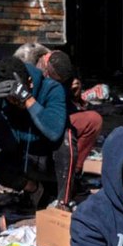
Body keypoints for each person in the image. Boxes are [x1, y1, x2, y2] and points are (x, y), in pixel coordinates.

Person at [0, 54, 76, 210]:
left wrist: (28, 99)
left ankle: (64, 200)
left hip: (53, 163)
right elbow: (8, 146)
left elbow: (54, 131)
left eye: (17, 98)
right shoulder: (5, 99)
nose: (16, 103)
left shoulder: (52, 89)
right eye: (12, 99)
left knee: (66, 137)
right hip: (28, 162)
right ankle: (35, 190)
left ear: (29, 82)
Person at [41, 50, 103, 202]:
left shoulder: (64, 71)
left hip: (61, 116)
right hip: (40, 120)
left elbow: (70, 106)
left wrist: (76, 96)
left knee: (93, 120)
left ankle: (72, 174)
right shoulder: (36, 71)